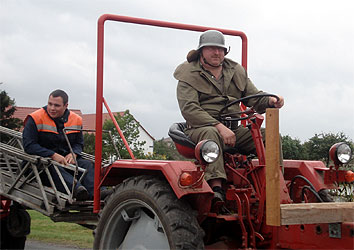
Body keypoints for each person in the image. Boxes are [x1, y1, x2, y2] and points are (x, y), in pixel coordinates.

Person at [174, 30, 284, 202]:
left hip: (234, 130)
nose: (216, 53)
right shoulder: (188, 74)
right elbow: (190, 109)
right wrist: (219, 127)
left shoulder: (235, 71)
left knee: (269, 136)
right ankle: (216, 189)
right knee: (210, 134)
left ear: (225, 51)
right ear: (201, 51)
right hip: (200, 129)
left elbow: (253, 96)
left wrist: (270, 100)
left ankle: (275, 185)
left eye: (220, 49)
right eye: (211, 49)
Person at [22, 89, 95, 201]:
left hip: (65, 161)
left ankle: (99, 193)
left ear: (66, 105)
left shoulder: (76, 119)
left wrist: (74, 153)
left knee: (87, 164)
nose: (52, 108)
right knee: (51, 165)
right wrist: (52, 155)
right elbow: (29, 146)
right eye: (50, 104)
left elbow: (79, 143)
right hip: (38, 166)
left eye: (56, 105)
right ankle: (77, 190)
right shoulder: (35, 118)